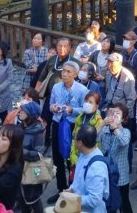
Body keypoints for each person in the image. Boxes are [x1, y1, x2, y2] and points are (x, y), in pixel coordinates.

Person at [48, 59, 89, 199]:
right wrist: (53, 107)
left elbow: (86, 109)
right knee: (57, 159)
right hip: (58, 123)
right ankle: (61, 188)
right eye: (63, 71)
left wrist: (72, 110)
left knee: (73, 159)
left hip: (73, 126)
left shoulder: (83, 90)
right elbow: (50, 104)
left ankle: (74, 189)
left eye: (68, 72)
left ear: (76, 74)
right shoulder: (56, 87)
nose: (64, 74)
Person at [34, 37, 73, 147]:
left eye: (65, 46)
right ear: (56, 47)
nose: (62, 48)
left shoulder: (74, 62)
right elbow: (42, 76)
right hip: (50, 95)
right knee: (45, 118)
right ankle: (45, 142)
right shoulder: (52, 60)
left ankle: (60, 143)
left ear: (70, 48)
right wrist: (36, 94)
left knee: (61, 120)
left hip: (66, 97)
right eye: (60, 46)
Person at [69, 124, 110, 213]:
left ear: (80, 143)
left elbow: (94, 200)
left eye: (74, 138)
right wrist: (71, 189)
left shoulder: (96, 166)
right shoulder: (83, 154)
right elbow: (78, 180)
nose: (73, 140)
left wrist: (71, 198)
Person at [99, 103, 133, 213]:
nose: (114, 115)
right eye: (112, 112)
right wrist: (102, 124)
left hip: (121, 174)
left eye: (118, 113)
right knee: (108, 201)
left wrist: (115, 129)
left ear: (123, 119)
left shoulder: (126, 132)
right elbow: (92, 138)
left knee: (124, 201)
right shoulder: (104, 129)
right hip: (106, 171)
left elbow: (124, 142)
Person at [16, 101, 46, 213]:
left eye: (23, 110)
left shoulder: (38, 130)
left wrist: (20, 151)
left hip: (32, 170)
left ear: (31, 114)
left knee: (33, 199)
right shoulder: (19, 127)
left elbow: (38, 154)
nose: (20, 112)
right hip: (19, 168)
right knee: (21, 199)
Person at [69, 91, 104, 168]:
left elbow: (98, 143)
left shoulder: (99, 122)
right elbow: (74, 138)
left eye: (90, 102)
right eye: (86, 101)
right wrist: (73, 157)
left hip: (90, 160)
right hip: (77, 157)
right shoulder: (79, 118)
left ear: (96, 106)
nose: (87, 104)